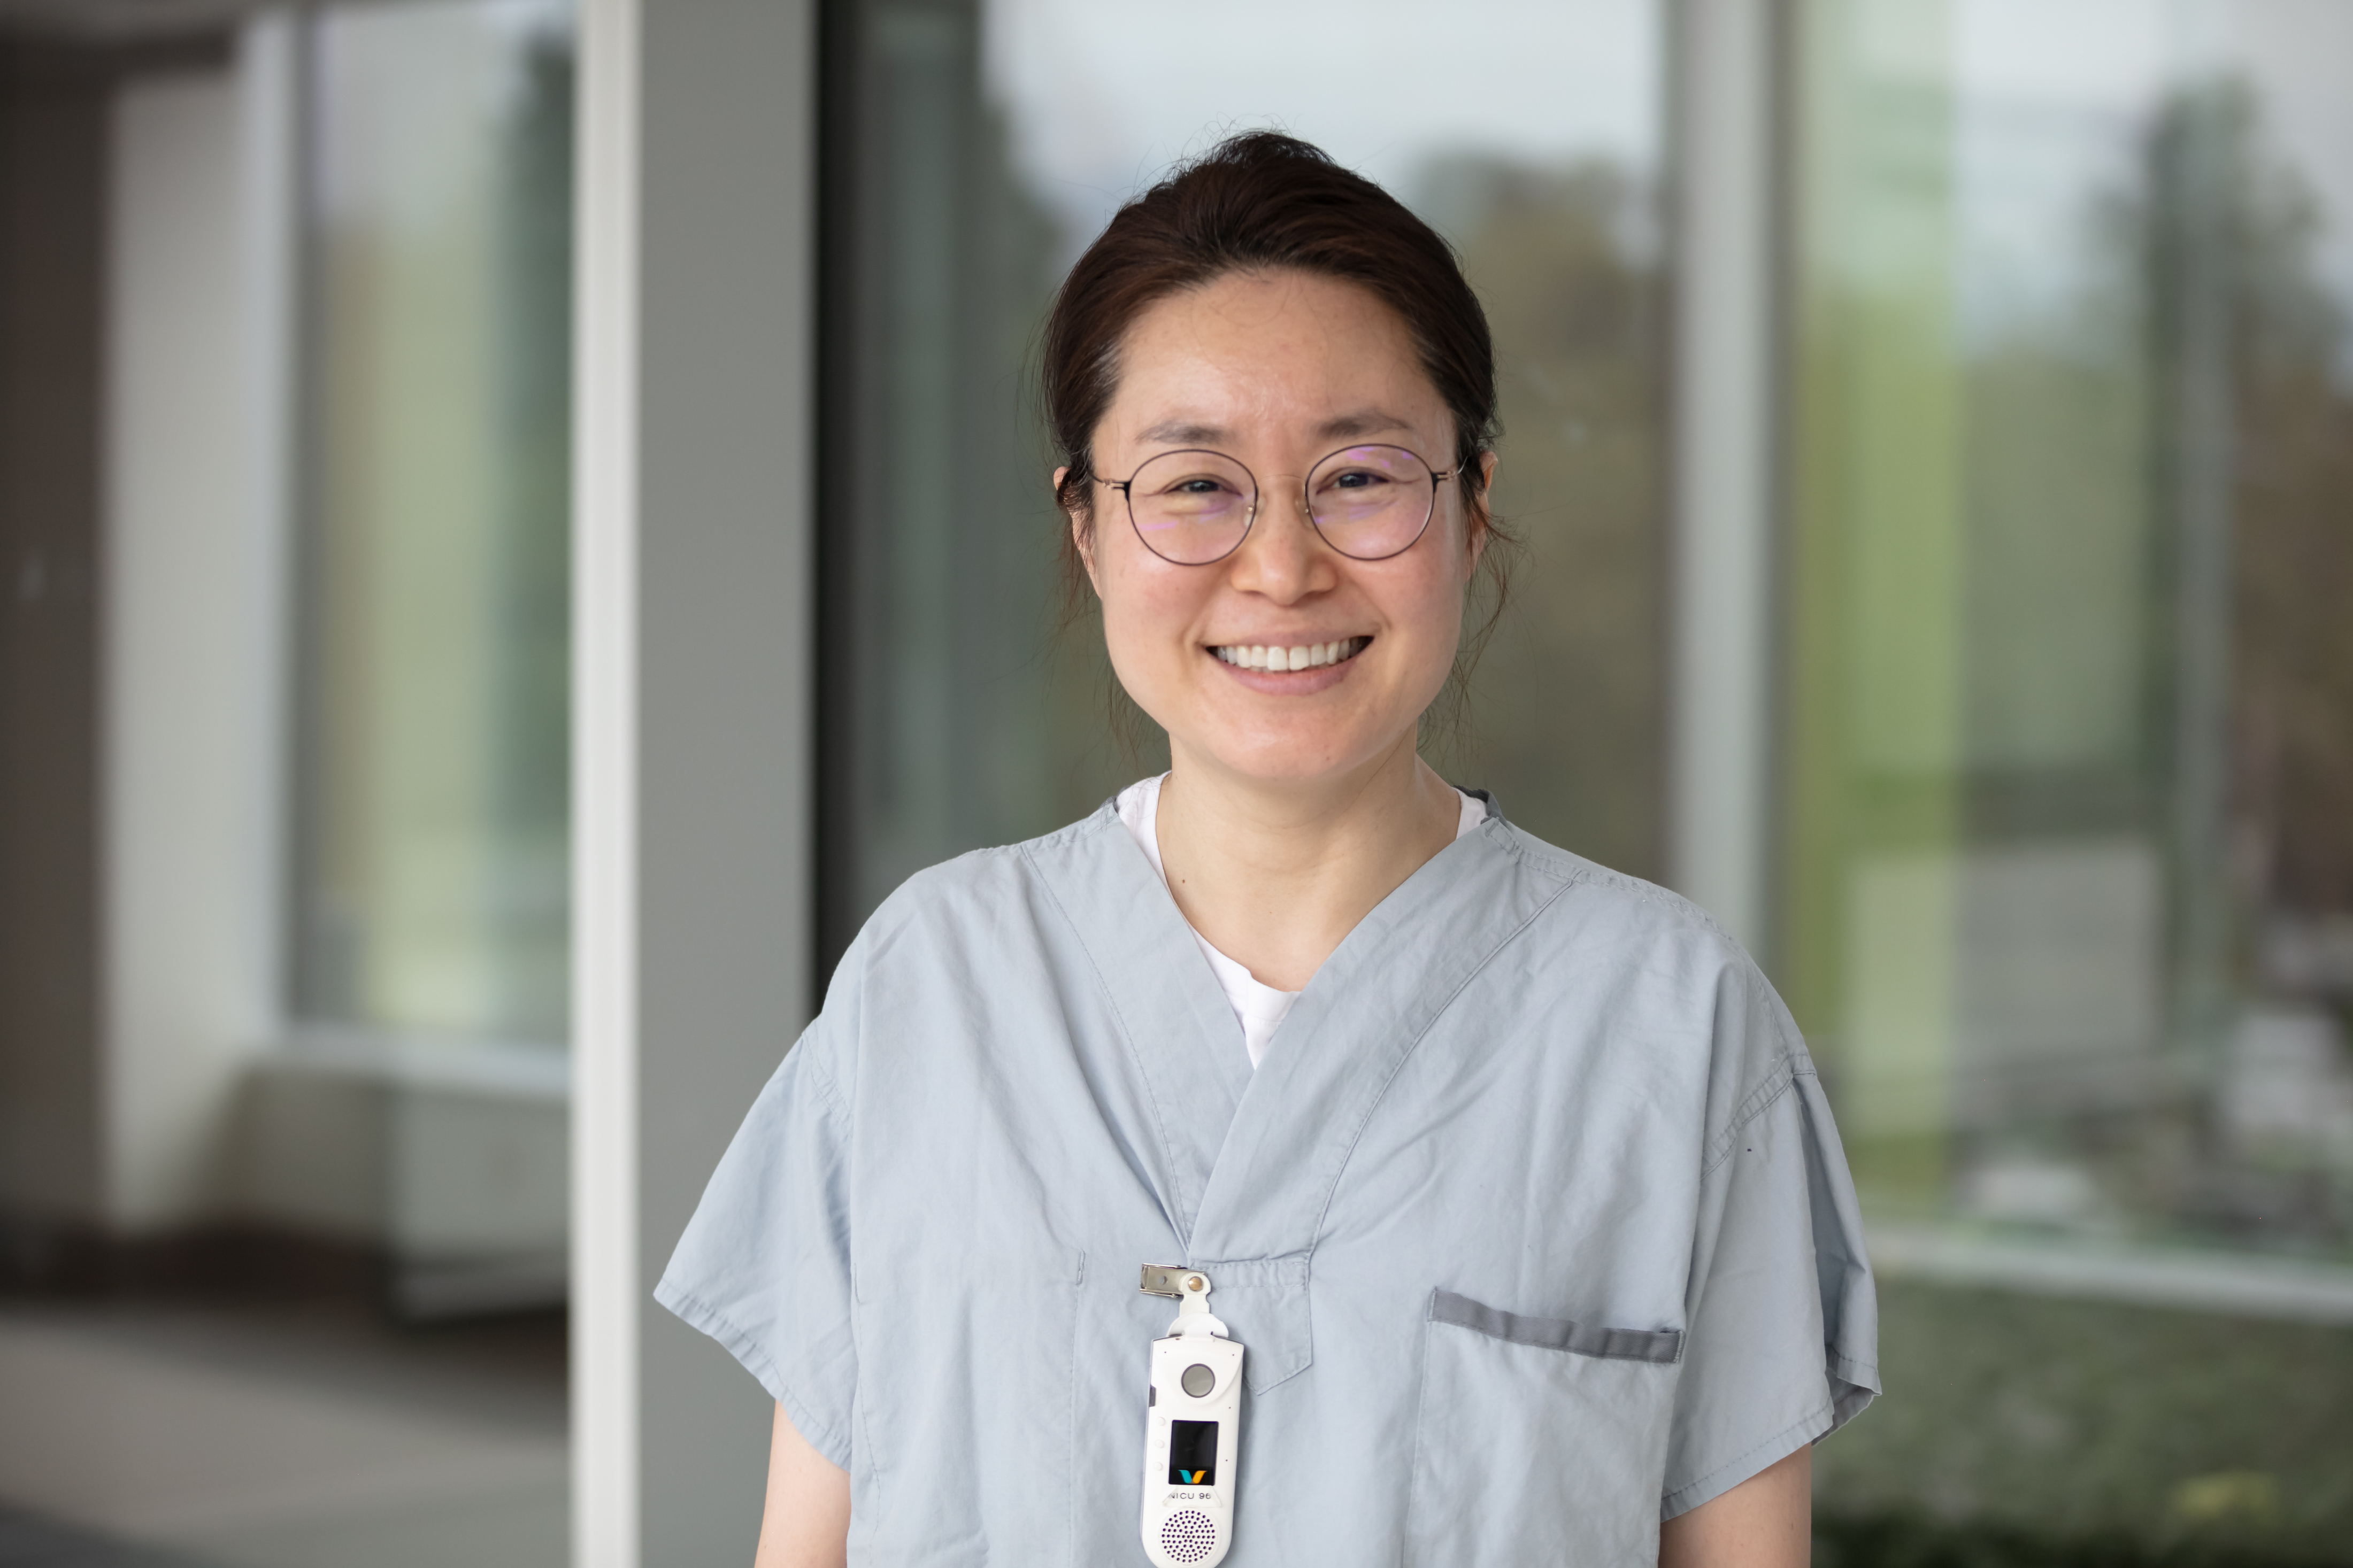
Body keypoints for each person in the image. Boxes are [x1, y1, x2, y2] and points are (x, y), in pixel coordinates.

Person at [658, 131, 1878, 1567]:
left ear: (1471, 509)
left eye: (1359, 476)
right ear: (1089, 533)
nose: (1284, 565)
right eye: (1194, 484)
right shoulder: (929, 986)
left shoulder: (1674, 1024)